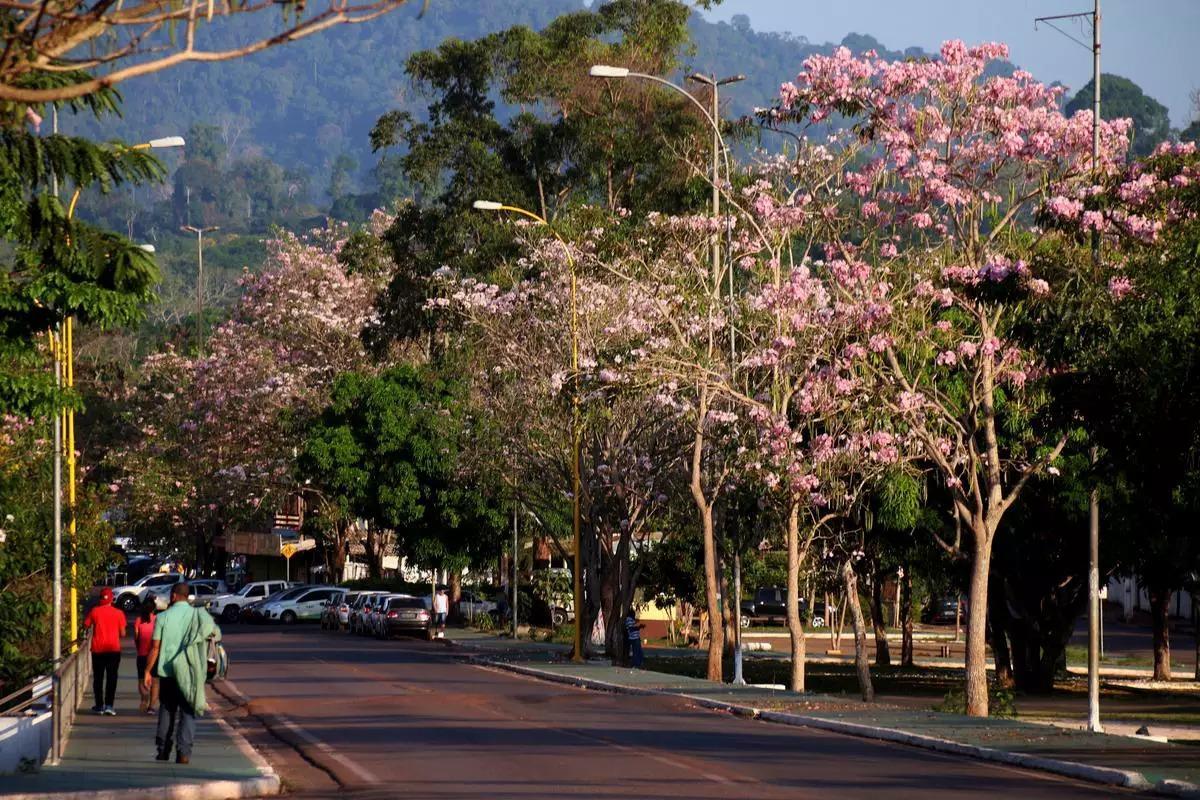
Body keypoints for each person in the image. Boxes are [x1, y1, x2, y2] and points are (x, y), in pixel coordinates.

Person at [142, 582, 220, 765]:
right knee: (188, 712)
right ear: (188, 596)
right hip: (191, 674)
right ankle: (183, 753)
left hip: (168, 675)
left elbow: (155, 648)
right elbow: (215, 635)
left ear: (174, 596)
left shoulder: (163, 618)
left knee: (167, 711)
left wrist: (147, 671)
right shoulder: (199, 616)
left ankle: (163, 751)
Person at [83, 587, 127, 714]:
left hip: (98, 650)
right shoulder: (119, 613)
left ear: (100, 598)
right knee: (112, 678)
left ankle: (99, 705)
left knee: (98, 678)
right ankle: (109, 705)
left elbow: (86, 624)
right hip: (113, 649)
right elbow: (123, 633)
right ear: (112, 599)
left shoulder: (94, 611)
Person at [133, 598, 159, 714]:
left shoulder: (139, 620)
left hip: (142, 654)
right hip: (154, 655)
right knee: (155, 681)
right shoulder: (157, 620)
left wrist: (139, 647)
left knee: (141, 679)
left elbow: (136, 637)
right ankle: (152, 706)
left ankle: (144, 698)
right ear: (154, 608)